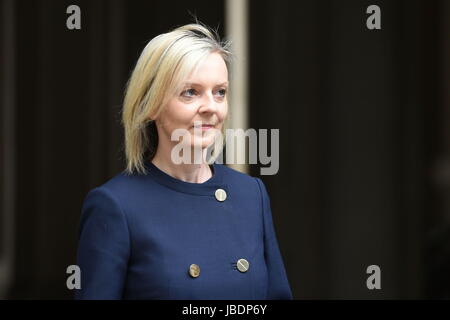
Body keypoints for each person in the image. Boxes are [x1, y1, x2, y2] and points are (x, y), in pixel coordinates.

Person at [75, 23, 292, 299]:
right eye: (190, 92)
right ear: (151, 105)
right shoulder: (115, 206)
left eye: (220, 92)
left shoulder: (251, 195)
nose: (211, 107)